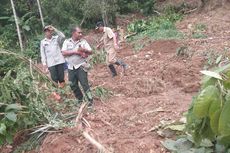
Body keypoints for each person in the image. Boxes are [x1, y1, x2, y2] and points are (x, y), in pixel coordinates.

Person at [62, 26, 93, 106]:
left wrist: (84, 50)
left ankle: (90, 101)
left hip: (81, 66)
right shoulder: (66, 42)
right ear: (73, 33)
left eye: (81, 32)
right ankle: (80, 99)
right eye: (79, 32)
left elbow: (90, 51)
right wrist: (76, 52)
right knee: (73, 85)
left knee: (84, 84)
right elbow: (64, 53)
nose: (81, 34)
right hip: (71, 67)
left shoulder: (83, 42)